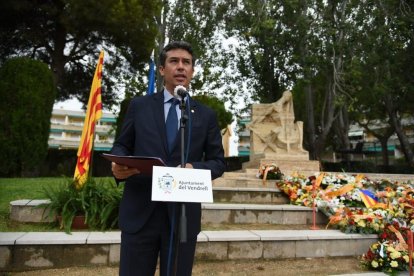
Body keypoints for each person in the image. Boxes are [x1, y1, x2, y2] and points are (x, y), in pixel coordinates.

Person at [110, 41, 226, 276]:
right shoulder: (139, 106)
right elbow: (122, 145)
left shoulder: (205, 115)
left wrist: (195, 167)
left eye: (187, 63)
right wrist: (118, 164)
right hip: (140, 211)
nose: (181, 67)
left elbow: (218, 162)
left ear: (192, 71)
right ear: (162, 69)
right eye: (174, 61)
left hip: (182, 216)